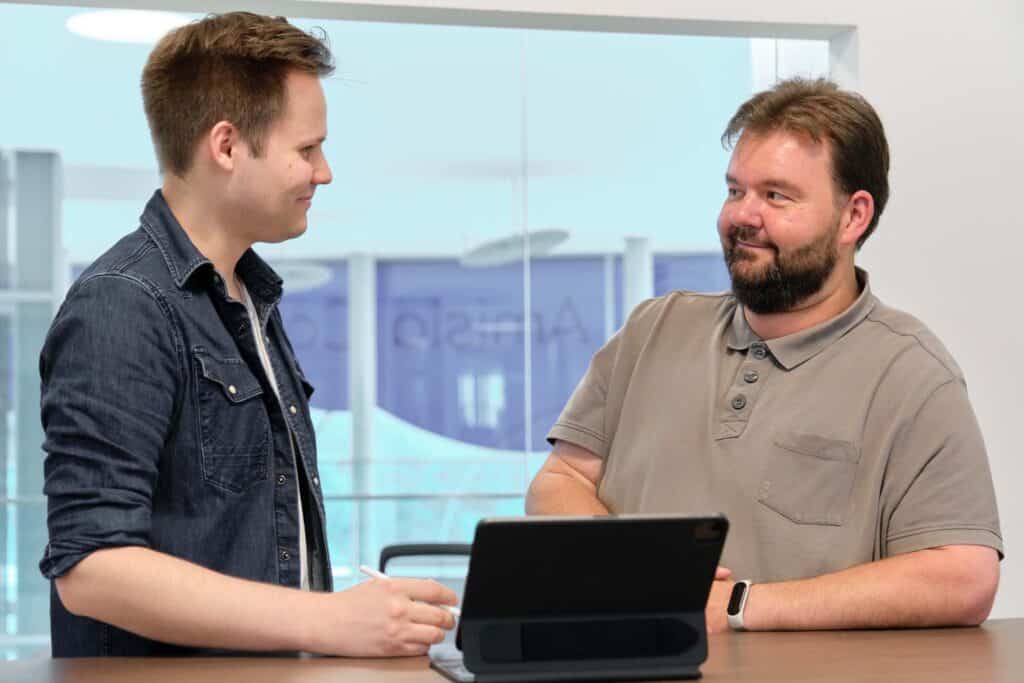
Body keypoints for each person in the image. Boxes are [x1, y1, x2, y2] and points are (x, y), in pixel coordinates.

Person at [39, 12, 455, 657]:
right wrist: (328, 622)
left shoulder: (249, 298)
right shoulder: (122, 304)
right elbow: (93, 568)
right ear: (227, 146)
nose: (324, 172)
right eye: (307, 149)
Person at [526, 78, 1002, 632]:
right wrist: (641, 574)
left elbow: (963, 577)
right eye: (735, 191)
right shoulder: (653, 329)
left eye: (776, 195)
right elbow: (558, 483)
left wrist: (739, 606)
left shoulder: (913, 374)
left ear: (854, 217)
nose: (742, 216)